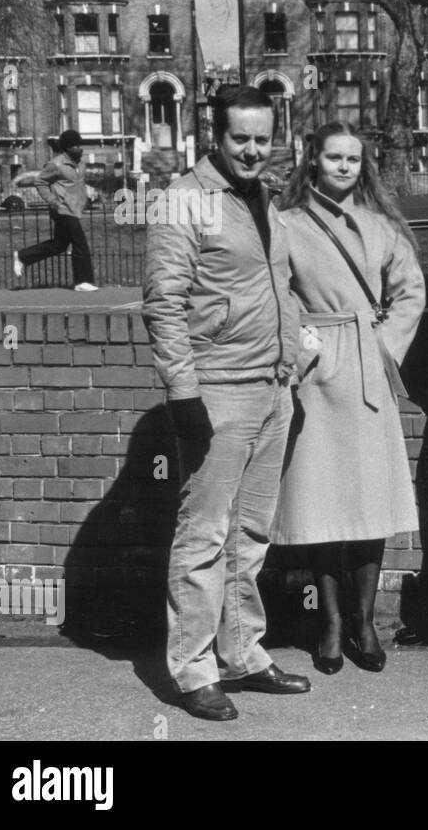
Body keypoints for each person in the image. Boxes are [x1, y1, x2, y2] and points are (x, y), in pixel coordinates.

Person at [143, 86, 308, 722]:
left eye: (262, 138)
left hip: (271, 387)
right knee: (205, 535)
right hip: (218, 389)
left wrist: (290, 361)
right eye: (240, 137)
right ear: (216, 135)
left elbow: (282, 287)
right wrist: (184, 394)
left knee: (252, 533)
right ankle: (192, 669)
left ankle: (245, 653)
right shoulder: (185, 199)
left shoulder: (265, 196)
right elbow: (164, 304)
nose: (252, 149)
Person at [273, 122, 425, 675]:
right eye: (333, 157)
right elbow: (275, 291)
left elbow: (411, 291)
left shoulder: (382, 226)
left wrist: (383, 346)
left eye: (353, 160)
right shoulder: (284, 223)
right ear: (311, 160)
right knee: (321, 507)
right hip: (314, 370)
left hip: (366, 367)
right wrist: (301, 344)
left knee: (369, 504)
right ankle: (331, 623)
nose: (343, 167)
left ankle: (364, 620)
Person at [13, 129, 97, 291]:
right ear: (66, 148)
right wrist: (52, 200)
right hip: (61, 209)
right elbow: (40, 182)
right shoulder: (56, 164)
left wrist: (84, 199)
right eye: (74, 145)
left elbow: (77, 185)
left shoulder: (80, 164)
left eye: (79, 144)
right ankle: (82, 281)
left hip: (74, 209)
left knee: (58, 246)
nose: (78, 148)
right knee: (80, 244)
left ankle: (23, 256)